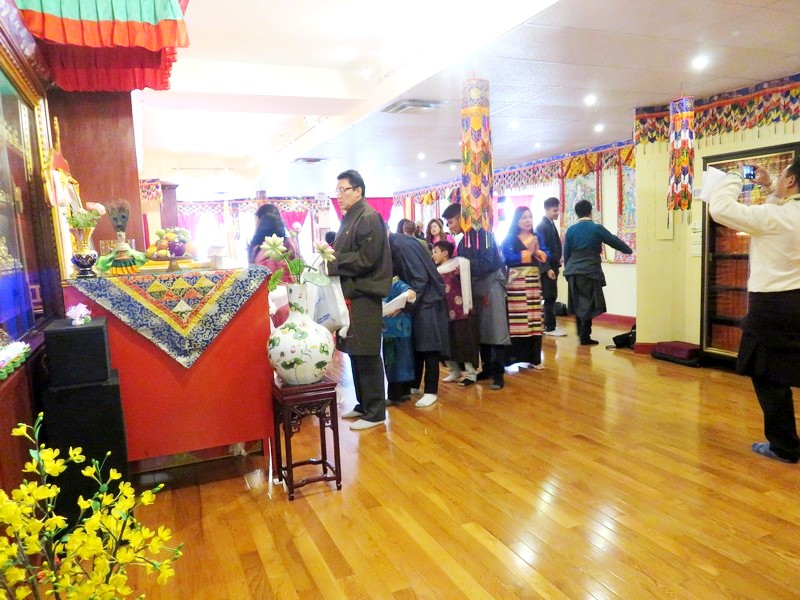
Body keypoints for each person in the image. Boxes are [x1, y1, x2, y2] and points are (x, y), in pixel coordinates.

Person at [705, 160, 800, 464]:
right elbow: (778, 214)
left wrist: (735, 176)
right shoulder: (783, 213)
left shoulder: (776, 217)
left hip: (773, 306)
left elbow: (720, 208)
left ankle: (784, 447)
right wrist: (771, 186)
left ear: (791, 180)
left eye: (782, 175)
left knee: (767, 373)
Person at [327, 170, 393, 430]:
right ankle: (364, 404)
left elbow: (367, 259)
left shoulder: (368, 217)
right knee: (355, 351)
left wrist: (334, 261)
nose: (339, 195)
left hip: (365, 294)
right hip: (351, 294)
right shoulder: (350, 217)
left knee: (366, 352)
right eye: (337, 190)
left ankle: (376, 412)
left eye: (343, 190)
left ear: (358, 191)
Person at [442, 203, 510, 390]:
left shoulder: (484, 234)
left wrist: (464, 265)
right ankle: (487, 368)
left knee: (495, 329)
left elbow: (489, 262)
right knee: (479, 330)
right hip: (475, 287)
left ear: (461, 218)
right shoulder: (463, 241)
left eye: (451, 222)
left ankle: (498, 373)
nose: (450, 227)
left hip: (491, 284)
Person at [389, 232, 450, 407]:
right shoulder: (398, 243)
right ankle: (413, 386)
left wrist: (403, 304)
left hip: (427, 299)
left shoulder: (402, 245)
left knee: (429, 347)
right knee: (416, 346)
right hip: (419, 299)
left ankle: (431, 391)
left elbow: (420, 278)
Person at [563, 199, 632, 345]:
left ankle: (581, 332)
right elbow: (613, 240)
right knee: (588, 302)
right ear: (590, 212)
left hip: (573, 271)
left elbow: (566, 252)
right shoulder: (596, 228)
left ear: (577, 214)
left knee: (578, 302)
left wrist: (567, 270)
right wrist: (628, 250)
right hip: (590, 269)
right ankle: (585, 336)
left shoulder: (570, 230)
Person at [501, 206, 549, 369]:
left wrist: (538, 253)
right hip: (517, 284)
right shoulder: (510, 238)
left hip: (533, 283)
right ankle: (512, 357)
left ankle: (534, 359)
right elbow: (508, 258)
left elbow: (547, 254)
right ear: (517, 220)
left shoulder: (537, 236)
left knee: (535, 319)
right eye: (523, 217)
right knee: (518, 319)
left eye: (530, 217)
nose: (528, 220)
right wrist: (529, 252)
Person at [432, 240, 478, 385]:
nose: (433, 255)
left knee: (463, 341)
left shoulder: (457, 266)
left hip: (459, 311)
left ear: (445, 253)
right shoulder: (437, 271)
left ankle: (470, 373)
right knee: (448, 343)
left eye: (435, 252)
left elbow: (464, 282)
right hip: (445, 312)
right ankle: (454, 370)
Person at [381, 277, 417, 405]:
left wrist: (402, 301)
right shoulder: (390, 283)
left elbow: (412, 294)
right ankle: (404, 393)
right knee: (403, 360)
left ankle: (394, 396)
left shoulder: (395, 283)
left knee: (394, 362)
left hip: (394, 330)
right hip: (398, 329)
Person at [536, 197, 566, 336]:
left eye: (558, 210)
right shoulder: (543, 226)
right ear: (547, 210)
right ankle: (549, 326)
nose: (557, 213)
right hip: (548, 268)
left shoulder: (550, 224)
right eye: (554, 210)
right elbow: (540, 250)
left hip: (553, 266)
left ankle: (551, 325)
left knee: (552, 296)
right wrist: (547, 268)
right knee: (549, 296)